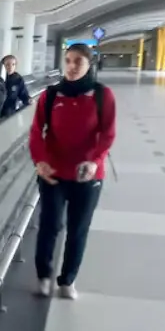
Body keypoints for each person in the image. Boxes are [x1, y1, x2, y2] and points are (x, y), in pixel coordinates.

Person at [29, 43, 115, 300]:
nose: (72, 66)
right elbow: (36, 132)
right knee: (50, 224)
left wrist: (95, 160)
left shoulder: (102, 95)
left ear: (89, 65)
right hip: (53, 172)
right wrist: (40, 161)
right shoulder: (51, 95)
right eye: (68, 60)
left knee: (78, 228)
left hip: (87, 175)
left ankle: (67, 280)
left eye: (79, 61)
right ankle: (44, 275)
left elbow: (108, 133)